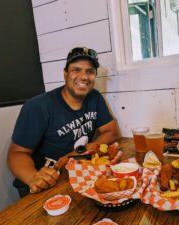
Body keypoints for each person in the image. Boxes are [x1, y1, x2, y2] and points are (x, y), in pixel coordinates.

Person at [8, 47, 119, 197]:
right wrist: (33, 178)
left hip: (76, 175)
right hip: (44, 182)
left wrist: (81, 151)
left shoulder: (95, 97)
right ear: (65, 74)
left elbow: (111, 131)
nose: (84, 77)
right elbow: (16, 153)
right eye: (76, 70)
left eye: (90, 71)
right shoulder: (38, 107)